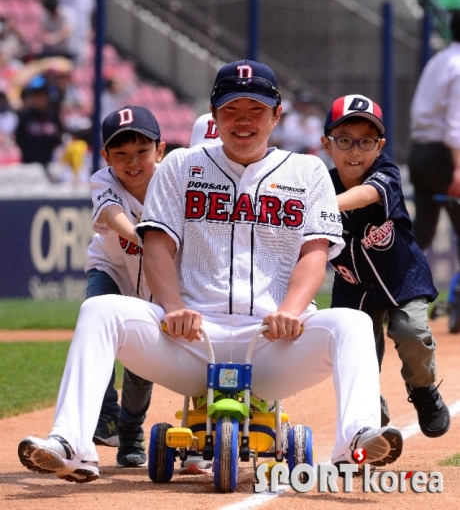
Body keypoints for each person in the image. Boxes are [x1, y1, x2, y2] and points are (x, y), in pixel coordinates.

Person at [18, 60, 403, 484]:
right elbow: (158, 245)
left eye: (255, 110)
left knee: (352, 322)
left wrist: (292, 311)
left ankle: (355, 441)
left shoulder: (308, 171)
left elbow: (315, 251)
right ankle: (71, 443)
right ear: (214, 115)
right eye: (230, 110)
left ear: (276, 115)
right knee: (100, 310)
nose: (243, 121)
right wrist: (172, 307)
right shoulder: (181, 165)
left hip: (275, 343)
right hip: (193, 343)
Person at [321, 93, 451, 438]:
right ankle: (369, 414)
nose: (355, 151)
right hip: (353, 287)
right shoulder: (318, 183)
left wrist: (321, 205)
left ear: (380, 146)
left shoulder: (385, 172)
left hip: (401, 277)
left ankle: (423, 391)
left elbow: (366, 195)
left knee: (412, 334)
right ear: (326, 144)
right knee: (357, 355)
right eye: (344, 140)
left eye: (366, 141)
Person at [86, 105, 165, 467]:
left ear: (159, 151)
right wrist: (143, 236)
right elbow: (111, 214)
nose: (132, 162)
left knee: (141, 365)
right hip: (112, 270)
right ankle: (104, 414)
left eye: (142, 152)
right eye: (121, 153)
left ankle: (130, 433)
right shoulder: (103, 180)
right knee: (94, 320)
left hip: (155, 282)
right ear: (106, 156)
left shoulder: (174, 182)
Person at [408, 10, 460, 334]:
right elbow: (456, 125)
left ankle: (394, 299)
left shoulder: (440, 60)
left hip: (420, 153)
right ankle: (456, 307)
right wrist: (458, 167)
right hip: (446, 157)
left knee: (421, 233)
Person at [14, 75, 63, 169]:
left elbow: (58, 139)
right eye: (36, 96)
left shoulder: (53, 116)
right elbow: (19, 139)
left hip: (49, 163)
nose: (39, 99)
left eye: (42, 95)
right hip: (29, 163)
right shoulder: (25, 117)